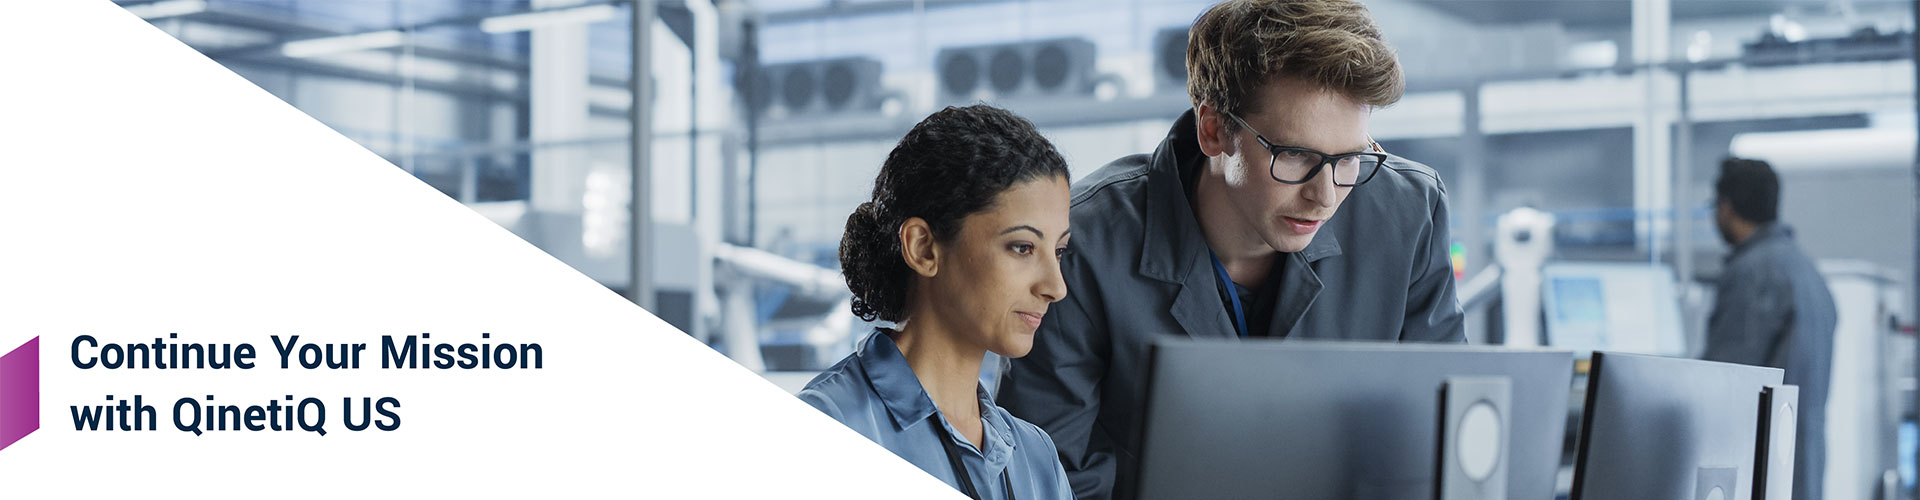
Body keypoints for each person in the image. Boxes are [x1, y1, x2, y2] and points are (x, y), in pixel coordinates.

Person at [996, 1, 1466, 498]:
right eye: (1296, 155)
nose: (1324, 196)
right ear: (1214, 129)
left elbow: (1444, 440)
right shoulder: (1083, 244)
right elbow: (1048, 480)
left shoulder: (1409, 212)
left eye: (1348, 159)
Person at [799, 105, 1076, 500]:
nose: (1055, 286)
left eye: (1060, 251)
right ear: (923, 248)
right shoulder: (829, 424)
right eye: (1022, 247)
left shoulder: (1036, 458)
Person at [1702, 157, 1836, 500]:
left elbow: (1724, 382)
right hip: (1801, 469)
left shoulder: (1752, 272)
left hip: (1760, 475)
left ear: (1726, 207)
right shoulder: (1807, 270)